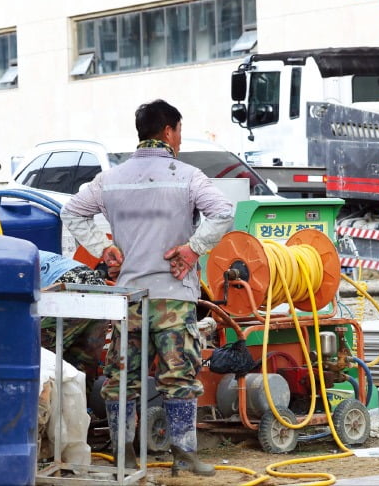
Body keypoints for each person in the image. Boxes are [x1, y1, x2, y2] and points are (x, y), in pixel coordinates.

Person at [60, 99, 234, 477]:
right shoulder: (187, 175)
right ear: (169, 132)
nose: (181, 140)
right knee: (179, 376)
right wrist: (192, 249)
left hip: (128, 300)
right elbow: (223, 211)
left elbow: (71, 210)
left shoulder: (110, 179)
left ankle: (124, 452)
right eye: (180, 132)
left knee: (123, 376)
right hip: (174, 295)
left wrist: (103, 248)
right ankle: (183, 453)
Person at [38, 250, 109, 394]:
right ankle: (81, 411)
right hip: (99, 288)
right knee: (83, 362)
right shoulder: (21, 251)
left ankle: (39, 410)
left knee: (39, 355)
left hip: (68, 287)